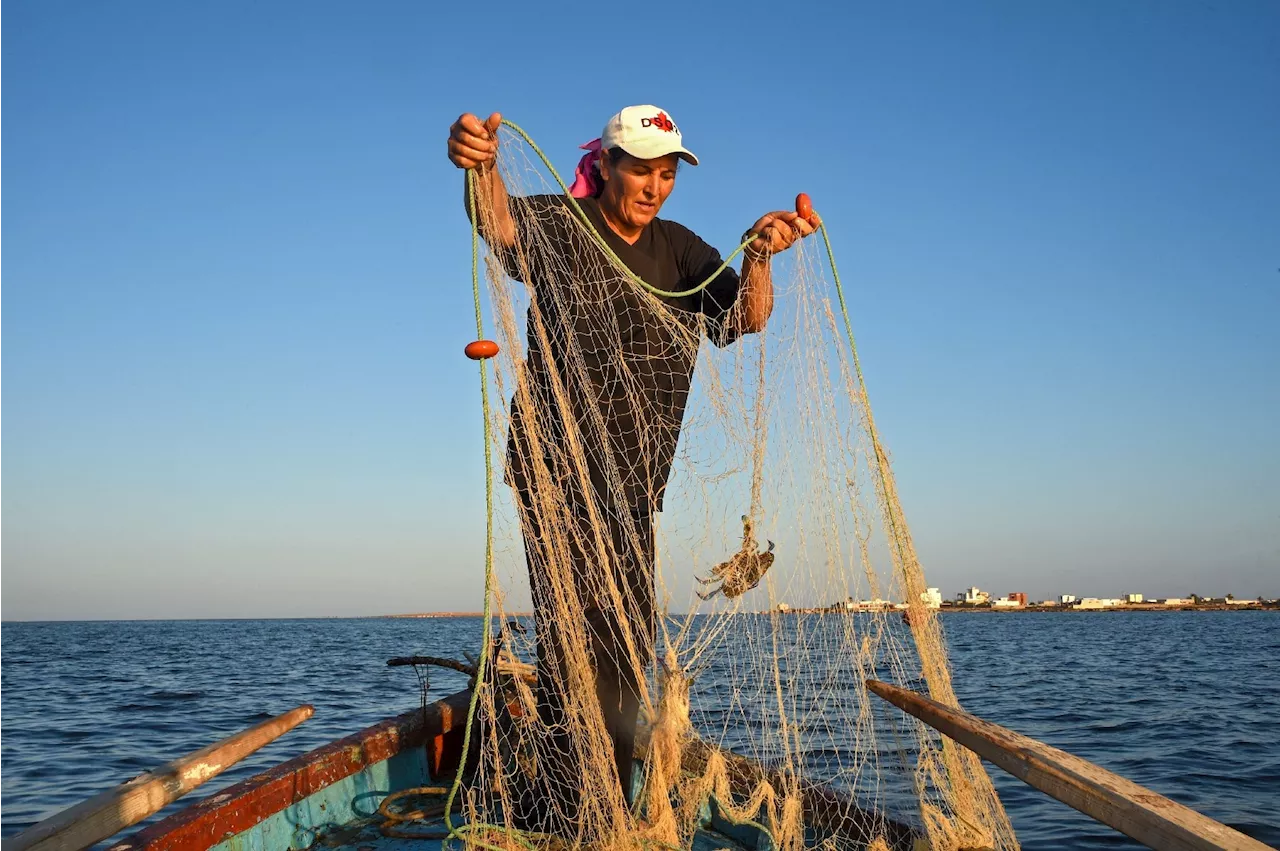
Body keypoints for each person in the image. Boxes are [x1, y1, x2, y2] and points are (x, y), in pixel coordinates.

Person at [446, 105, 815, 834]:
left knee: (623, 646)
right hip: (555, 476)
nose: (654, 184)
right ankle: (577, 813)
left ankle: (593, 804)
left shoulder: (681, 252)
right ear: (607, 164)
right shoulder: (564, 223)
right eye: (641, 167)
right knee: (573, 647)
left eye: (667, 171)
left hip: (631, 489)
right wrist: (480, 161)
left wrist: (761, 254)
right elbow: (497, 224)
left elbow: (743, 317)